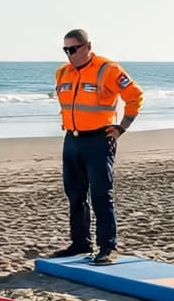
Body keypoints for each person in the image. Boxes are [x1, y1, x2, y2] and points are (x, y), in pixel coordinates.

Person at [52, 29, 144, 263]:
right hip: (72, 140)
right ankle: (80, 243)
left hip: (98, 140)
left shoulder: (108, 69)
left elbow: (134, 96)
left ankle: (108, 247)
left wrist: (122, 127)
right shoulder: (62, 73)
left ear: (87, 46)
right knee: (75, 194)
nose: (69, 54)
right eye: (65, 50)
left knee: (101, 194)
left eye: (73, 49)